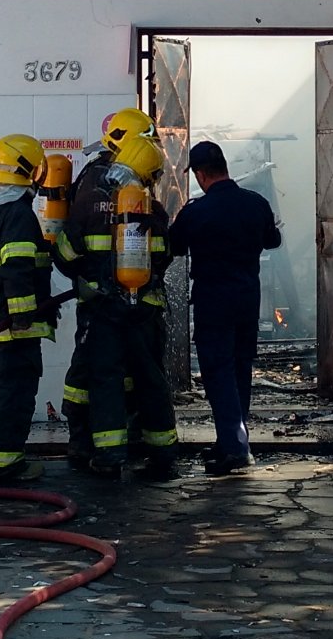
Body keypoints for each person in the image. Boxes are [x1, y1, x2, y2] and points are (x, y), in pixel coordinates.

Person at [59, 127, 180, 480]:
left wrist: (85, 277)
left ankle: (109, 457)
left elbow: (65, 252)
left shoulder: (90, 204)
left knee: (105, 378)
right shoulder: (150, 208)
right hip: (144, 309)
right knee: (150, 378)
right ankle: (162, 452)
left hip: (102, 310)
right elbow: (164, 257)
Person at [164, 139, 281, 476]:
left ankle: (234, 448)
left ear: (200, 175)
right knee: (240, 368)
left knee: (218, 372)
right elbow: (272, 241)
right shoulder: (255, 203)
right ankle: (232, 439)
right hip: (248, 298)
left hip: (214, 300)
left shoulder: (196, 211)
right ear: (226, 168)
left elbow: (172, 246)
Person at [0, 135, 57, 482]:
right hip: (13, 325)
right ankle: (5, 464)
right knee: (14, 392)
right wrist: (23, 316)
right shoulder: (17, 213)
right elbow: (17, 269)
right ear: (30, 170)